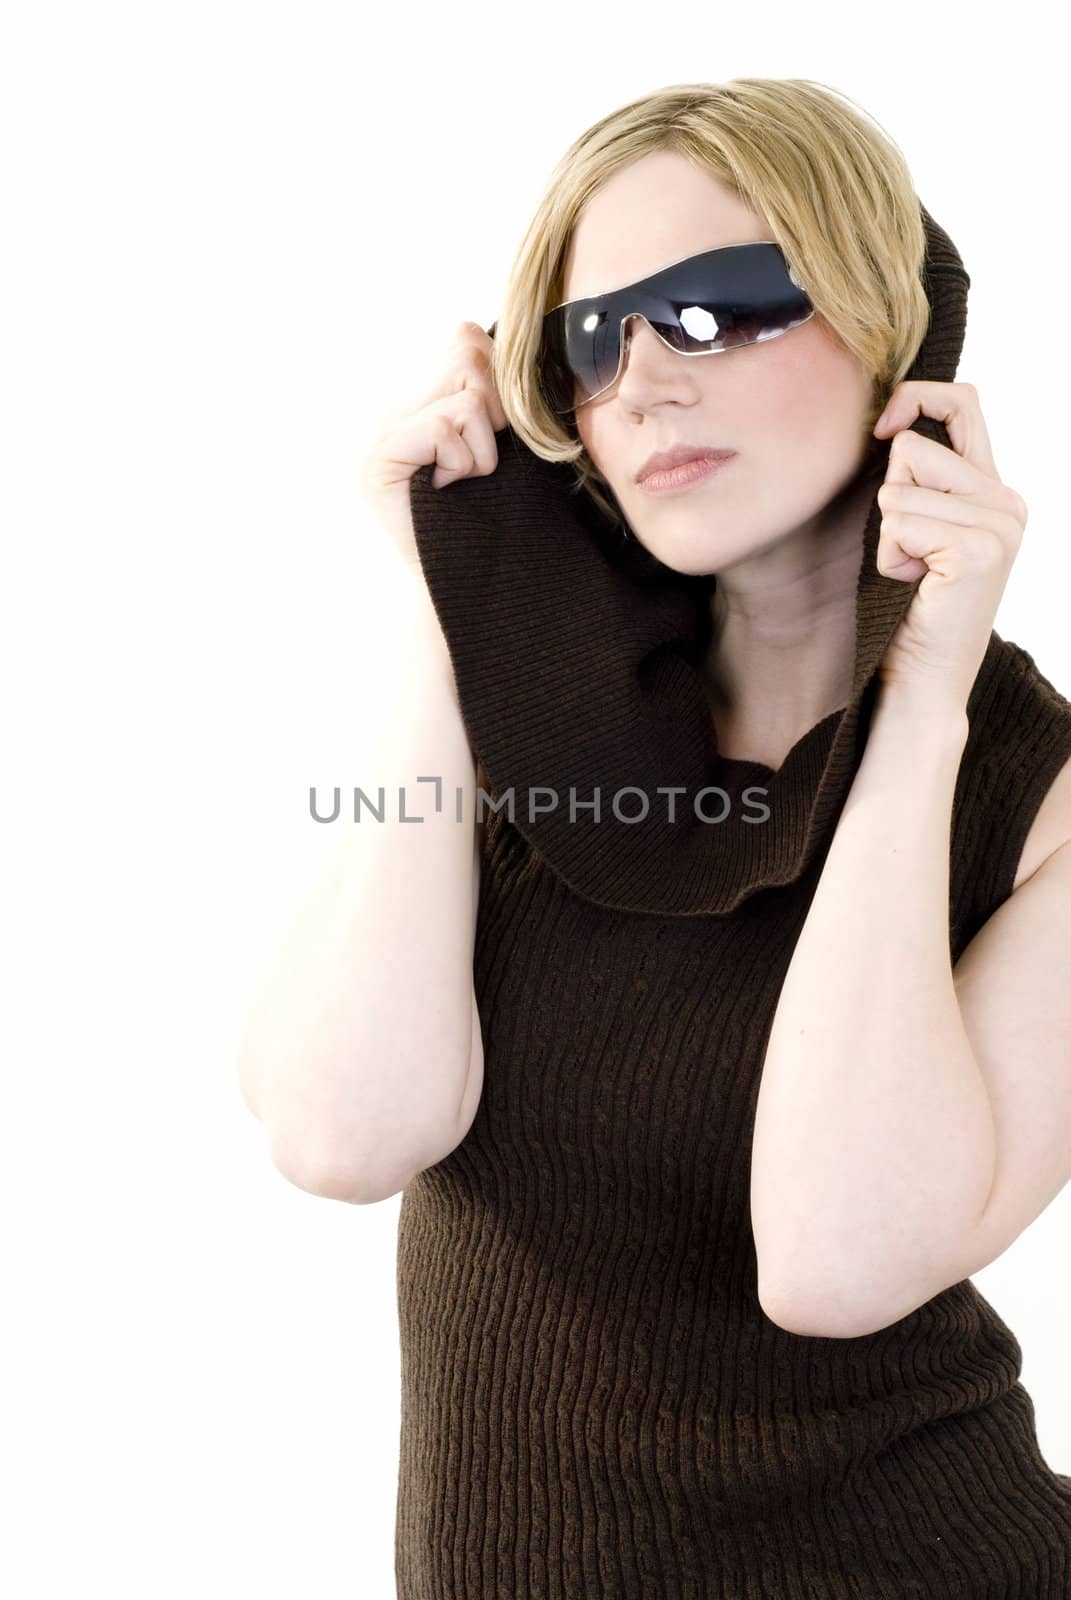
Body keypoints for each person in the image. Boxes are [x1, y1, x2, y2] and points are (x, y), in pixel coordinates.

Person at [240, 77, 1071, 1595]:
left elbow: (836, 1263)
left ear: (892, 331)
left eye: (711, 311)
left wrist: (925, 703)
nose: (640, 383)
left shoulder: (1044, 799)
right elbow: (343, 1134)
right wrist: (455, 603)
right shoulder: (526, 738)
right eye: (589, 338)